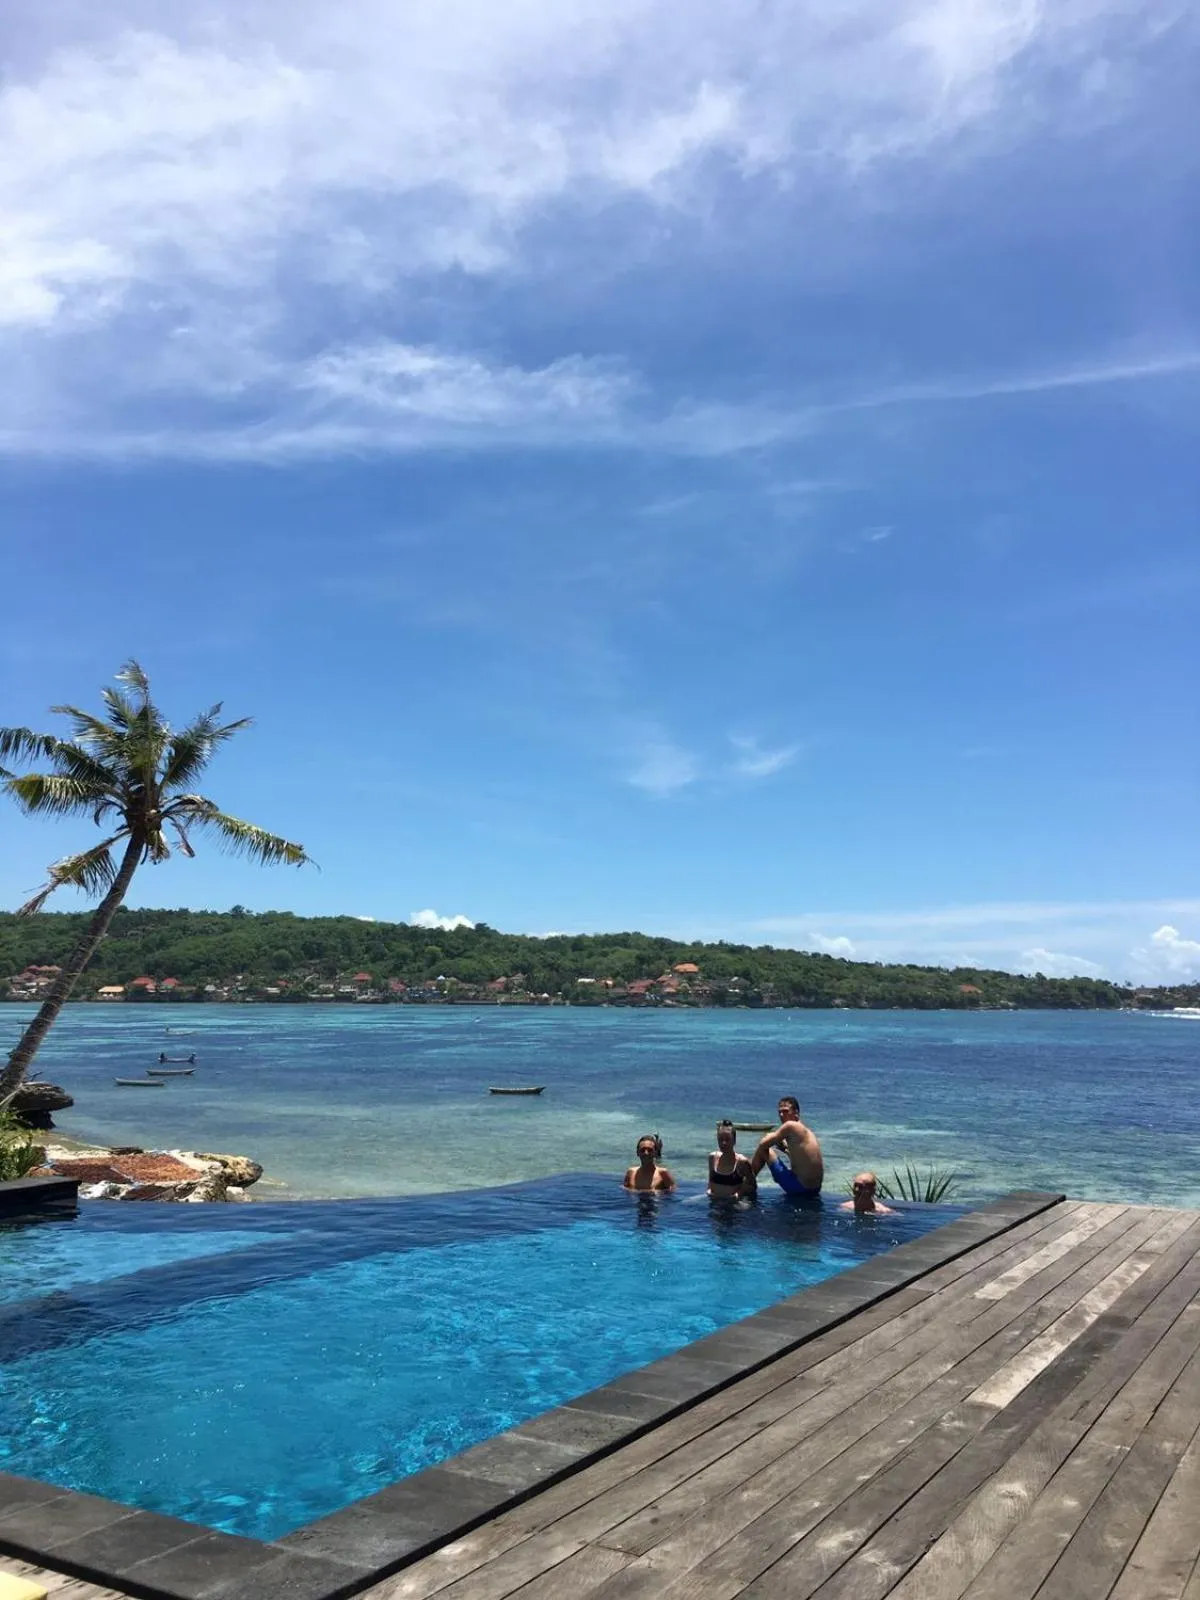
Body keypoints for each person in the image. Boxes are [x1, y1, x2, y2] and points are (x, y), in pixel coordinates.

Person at [751, 1096, 824, 1196]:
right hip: (815, 1189)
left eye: (785, 1111)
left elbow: (763, 1144)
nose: (781, 1115)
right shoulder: (807, 1131)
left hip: (799, 1188)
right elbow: (802, 1159)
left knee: (765, 1150)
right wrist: (785, 1149)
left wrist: (769, 1136)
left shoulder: (790, 1125)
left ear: (796, 1113)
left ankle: (747, 1183)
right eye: (779, 1112)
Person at [708, 1120, 757, 1199]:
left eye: (727, 1139)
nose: (723, 1143)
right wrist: (709, 1190)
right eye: (720, 1139)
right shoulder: (712, 1158)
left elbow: (753, 1186)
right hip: (715, 1203)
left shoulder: (741, 1162)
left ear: (734, 1141)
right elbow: (710, 1181)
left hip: (734, 1204)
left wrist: (739, 1193)